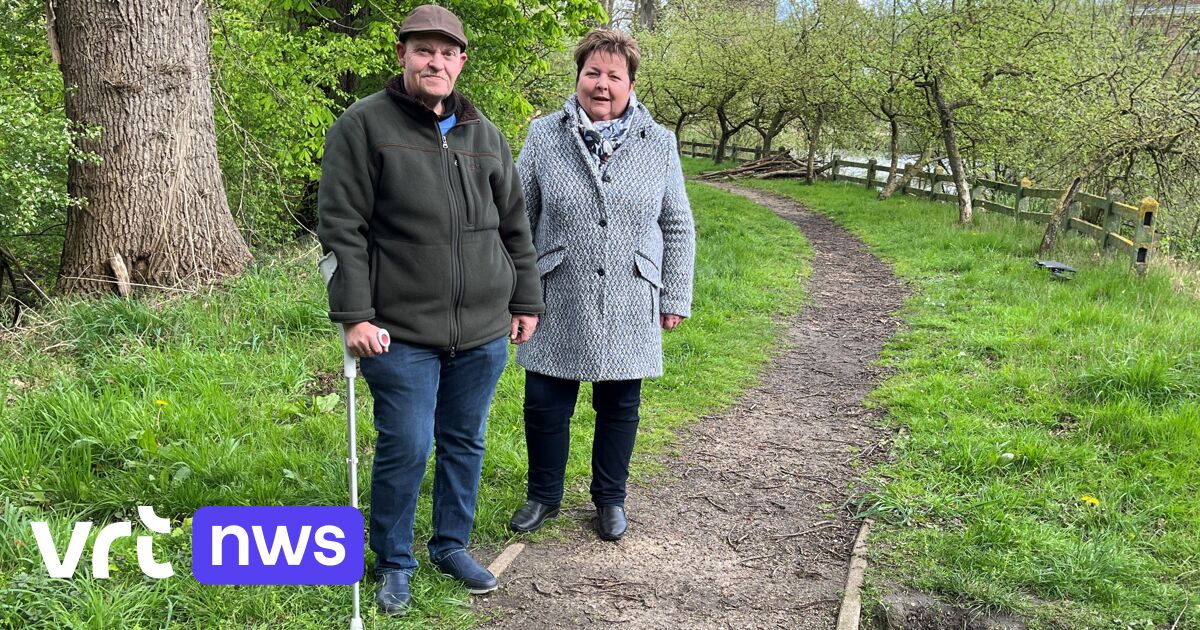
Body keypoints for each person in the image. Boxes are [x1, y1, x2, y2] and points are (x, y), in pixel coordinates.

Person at [316, 4, 544, 616]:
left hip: (483, 328)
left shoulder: (486, 136)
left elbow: (515, 226)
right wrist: (355, 315)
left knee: (464, 439)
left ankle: (450, 544)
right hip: (397, 329)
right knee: (409, 443)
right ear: (403, 56)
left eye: (447, 52)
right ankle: (394, 559)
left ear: (461, 61)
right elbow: (343, 228)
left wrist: (525, 298)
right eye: (423, 50)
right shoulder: (363, 126)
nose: (435, 61)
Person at [507, 29, 695, 541]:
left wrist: (675, 293)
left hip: (632, 294)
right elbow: (519, 218)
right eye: (593, 73)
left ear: (631, 84)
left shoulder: (659, 143)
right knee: (545, 402)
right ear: (578, 77)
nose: (602, 85)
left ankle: (610, 499)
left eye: (614, 76)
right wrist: (518, 294)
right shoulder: (545, 135)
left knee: (620, 406)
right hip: (557, 292)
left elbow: (676, 223)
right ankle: (543, 495)